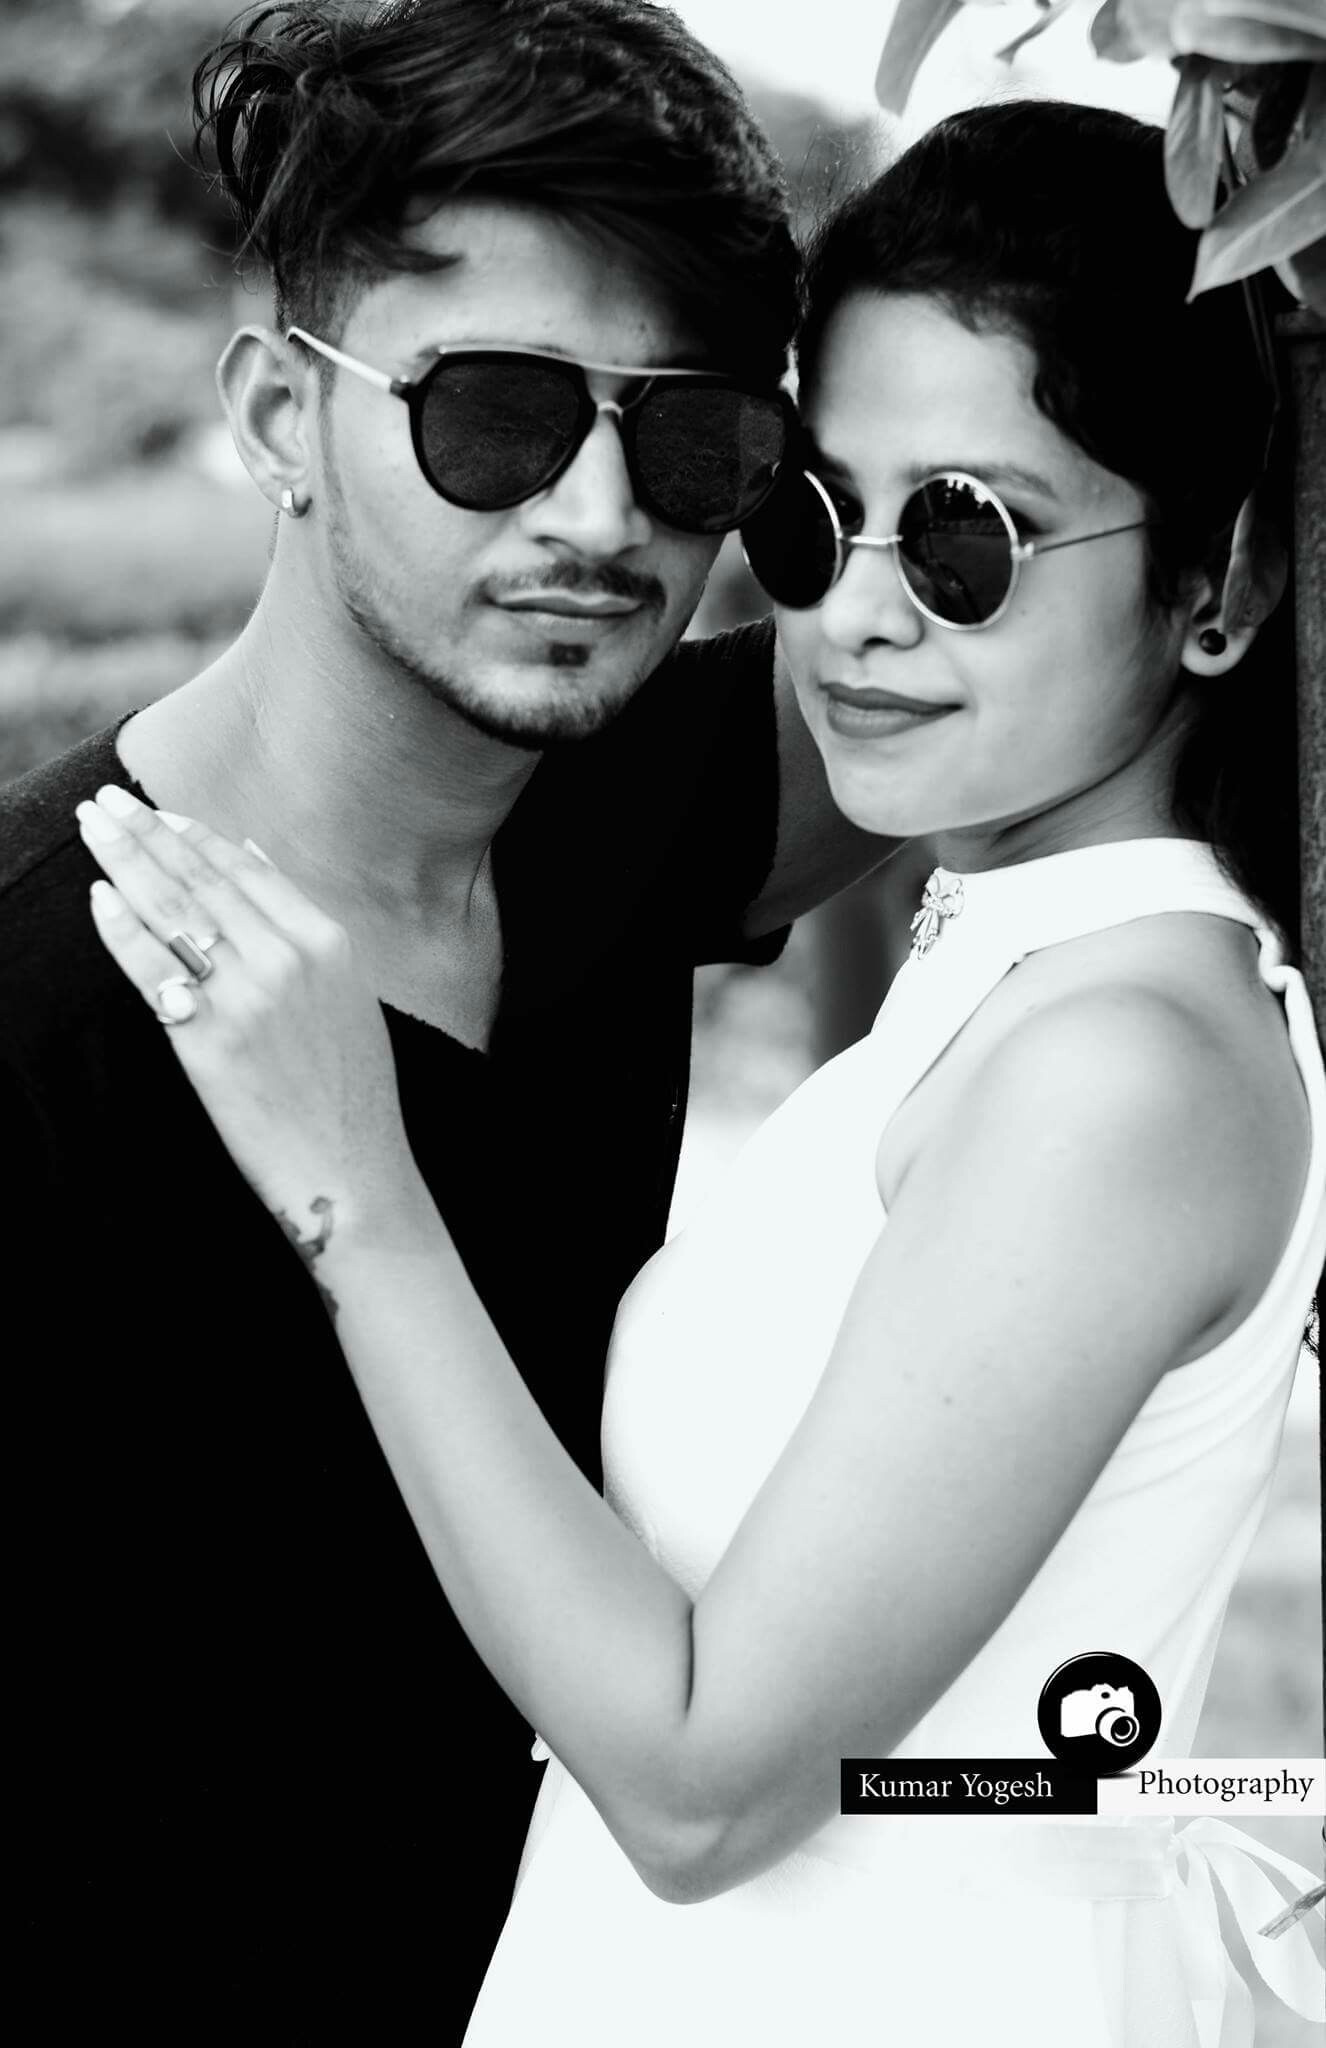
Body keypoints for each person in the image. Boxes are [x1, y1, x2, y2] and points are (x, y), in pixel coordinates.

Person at [76, 96, 1326, 2045]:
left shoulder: (1121, 1071)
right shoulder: (1017, 962)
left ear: (1223, 583)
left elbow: (705, 1786)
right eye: (810, 516)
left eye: (969, 536)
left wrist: (356, 1186)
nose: (858, 614)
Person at [3, 2, 887, 2034]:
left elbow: (1080, 624)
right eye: (496, 414)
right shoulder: (35, 1006)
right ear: (275, 415)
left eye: (695, 439)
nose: (596, 517)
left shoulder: (621, 816)